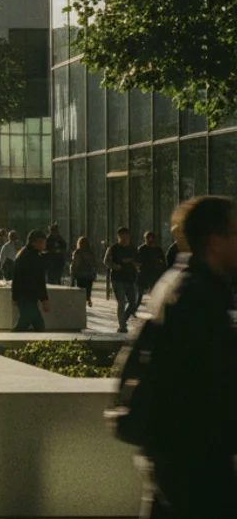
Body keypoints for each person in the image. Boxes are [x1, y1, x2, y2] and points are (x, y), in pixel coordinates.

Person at [125, 196, 237, 517]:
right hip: (194, 459)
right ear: (215, 241)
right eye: (235, 233)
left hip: (174, 454)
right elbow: (207, 382)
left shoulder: (181, 281)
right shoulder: (196, 295)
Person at [11, 230, 50, 332]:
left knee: (37, 325)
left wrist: (15, 296)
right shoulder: (33, 257)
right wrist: (44, 299)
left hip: (24, 296)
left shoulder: (24, 254)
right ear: (35, 242)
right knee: (26, 323)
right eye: (43, 242)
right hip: (27, 297)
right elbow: (39, 280)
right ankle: (9, 341)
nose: (44, 245)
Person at [105, 227, 140, 333]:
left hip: (130, 278)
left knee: (133, 303)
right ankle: (122, 326)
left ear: (129, 236)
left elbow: (139, 262)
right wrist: (115, 266)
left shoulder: (134, 249)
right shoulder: (113, 248)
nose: (123, 239)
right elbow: (106, 261)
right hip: (117, 278)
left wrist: (135, 264)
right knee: (121, 302)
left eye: (125, 236)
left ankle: (123, 320)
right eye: (121, 237)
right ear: (118, 237)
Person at [135, 231, 166, 308]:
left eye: (152, 239)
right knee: (140, 295)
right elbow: (137, 260)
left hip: (154, 274)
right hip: (144, 273)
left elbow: (163, 261)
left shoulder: (158, 249)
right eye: (149, 239)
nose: (150, 241)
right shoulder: (142, 249)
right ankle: (133, 309)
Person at [70, 237, 96, 308]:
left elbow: (74, 263)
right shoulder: (90, 253)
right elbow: (93, 264)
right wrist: (94, 273)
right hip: (89, 274)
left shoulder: (77, 252)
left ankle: (81, 303)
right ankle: (88, 298)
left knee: (80, 289)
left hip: (79, 274)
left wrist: (72, 272)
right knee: (88, 288)